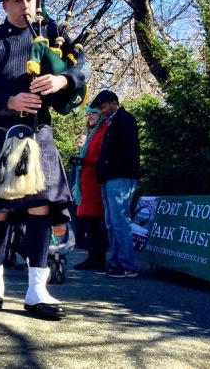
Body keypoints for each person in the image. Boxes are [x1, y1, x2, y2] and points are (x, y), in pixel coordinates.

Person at [0, 0, 91, 320]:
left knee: (41, 208)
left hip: (38, 131)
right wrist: (8, 98)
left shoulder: (52, 36)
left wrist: (64, 79)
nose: (25, 6)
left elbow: (84, 67)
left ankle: (37, 291)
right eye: (17, 0)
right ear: (5, 5)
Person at [92, 90, 141, 278]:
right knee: (112, 223)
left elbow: (127, 151)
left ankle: (127, 264)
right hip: (110, 178)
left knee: (120, 221)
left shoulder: (125, 120)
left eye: (103, 107)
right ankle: (115, 261)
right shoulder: (111, 123)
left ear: (114, 103)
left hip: (121, 177)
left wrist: (108, 167)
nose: (101, 111)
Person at [72, 105, 109, 271]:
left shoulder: (104, 130)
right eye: (88, 113)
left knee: (95, 224)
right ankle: (93, 257)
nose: (89, 115)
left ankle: (98, 259)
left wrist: (84, 162)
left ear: (100, 113)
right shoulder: (93, 133)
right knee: (90, 224)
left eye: (93, 112)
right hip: (86, 182)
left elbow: (103, 157)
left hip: (95, 183)